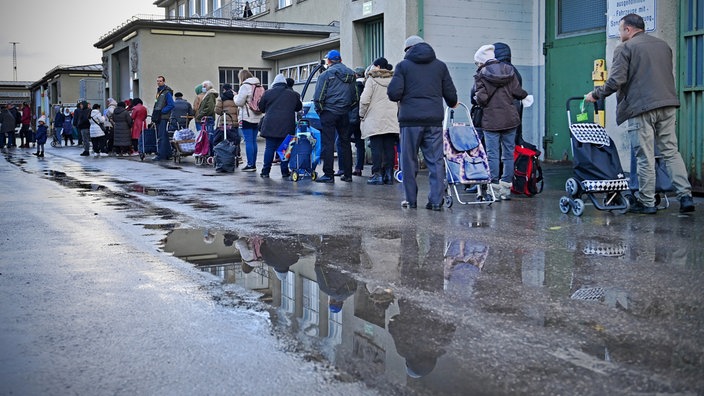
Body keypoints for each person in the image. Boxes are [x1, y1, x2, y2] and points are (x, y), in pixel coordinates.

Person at [585, 13, 695, 214]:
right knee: (671, 152)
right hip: (668, 103)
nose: (619, 34)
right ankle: (685, 196)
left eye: (620, 30)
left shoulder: (625, 48)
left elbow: (615, 81)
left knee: (645, 155)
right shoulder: (663, 46)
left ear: (628, 29)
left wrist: (596, 94)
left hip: (641, 107)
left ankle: (646, 201)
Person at [387, 35, 458, 210]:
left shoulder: (403, 66)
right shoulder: (440, 66)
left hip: (410, 122)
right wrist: (450, 102)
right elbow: (451, 97)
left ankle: (410, 201)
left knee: (409, 161)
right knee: (435, 161)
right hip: (433, 121)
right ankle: (436, 201)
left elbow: (393, 94)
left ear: (407, 49)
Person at [472, 44, 528, 201]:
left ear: (482, 61)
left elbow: (481, 98)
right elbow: (518, 92)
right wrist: (525, 96)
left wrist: (477, 98)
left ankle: (493, 188)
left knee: (493, 155)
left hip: (491, 121)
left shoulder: (481, 74)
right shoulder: (509, 70)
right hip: (510, 119)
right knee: (508, 154)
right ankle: (505, 189)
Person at [312, 50, 358, 183]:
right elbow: (355, 97)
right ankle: (348, 174)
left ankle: (328, 174)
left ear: (329, 61)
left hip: (329, 112)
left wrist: (320, 110)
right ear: (341, 60)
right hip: (344, 112)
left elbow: (319, 97)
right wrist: (348, 107)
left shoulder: (325, 75)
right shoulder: (351, 74)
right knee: (345, 143)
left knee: (328, 143)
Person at [359, 57, 399, 185]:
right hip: (391, 118)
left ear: (377, 66)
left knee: (376, 148)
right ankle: (388, 174)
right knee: (389, 147)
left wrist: (362, 114)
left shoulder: (371, 80)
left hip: (374, 118)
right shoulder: (394, 80)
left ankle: (377, 174)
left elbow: (364, 100)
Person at [257, 74, 302, 179]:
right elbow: (298, 107)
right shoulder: (294, 95)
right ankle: (284, 171)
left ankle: (265, 171)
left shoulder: (268, 93)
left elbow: (261, 108)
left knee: (269, 148)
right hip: (287, 125)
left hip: (270, 125)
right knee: (285, 149)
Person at [336, 66, 367, 177]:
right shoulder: (367, 86)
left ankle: (343, 168)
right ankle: (358, 168)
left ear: (355, 75)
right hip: (362, 119)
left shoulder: (352, 86)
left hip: (350, 118)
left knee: (341, 142)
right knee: (360, 143)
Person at [493, 42, 526, 144]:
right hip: (513, 113)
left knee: (494, 148)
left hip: (496, 113)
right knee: (510, 146)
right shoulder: (515, 71)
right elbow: (519, 93)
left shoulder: (492, 71)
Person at [234, 69, 264, 172]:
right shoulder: (259, 85)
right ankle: (253, 163)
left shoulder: (245, 86)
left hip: (247, 117)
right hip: (258, 116)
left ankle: (250, 165)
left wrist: (235, 96)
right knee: (253, 141)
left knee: (248, 141)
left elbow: (239, 102)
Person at [152, 75, 175, 161]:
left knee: (161, 136)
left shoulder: (166, 92)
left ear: (164, 82)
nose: (158, 83)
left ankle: (161, 155)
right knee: (163, 135)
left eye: (160, 81)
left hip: (163, 117)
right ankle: (168, 153)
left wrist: (162, 111)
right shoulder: (159, 92)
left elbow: (171, 105)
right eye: (157, 81)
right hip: (158, 116)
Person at [196, 80, 218, 156]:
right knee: (207, 136)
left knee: (209, 136)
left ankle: (210, 152)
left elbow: (210, 108)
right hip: (207, 118)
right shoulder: (209, 94)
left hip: (208, 118)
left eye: (204, 86)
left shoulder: (210, 95)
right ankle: (208, 151)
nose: (203, 88)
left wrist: (200, 115)